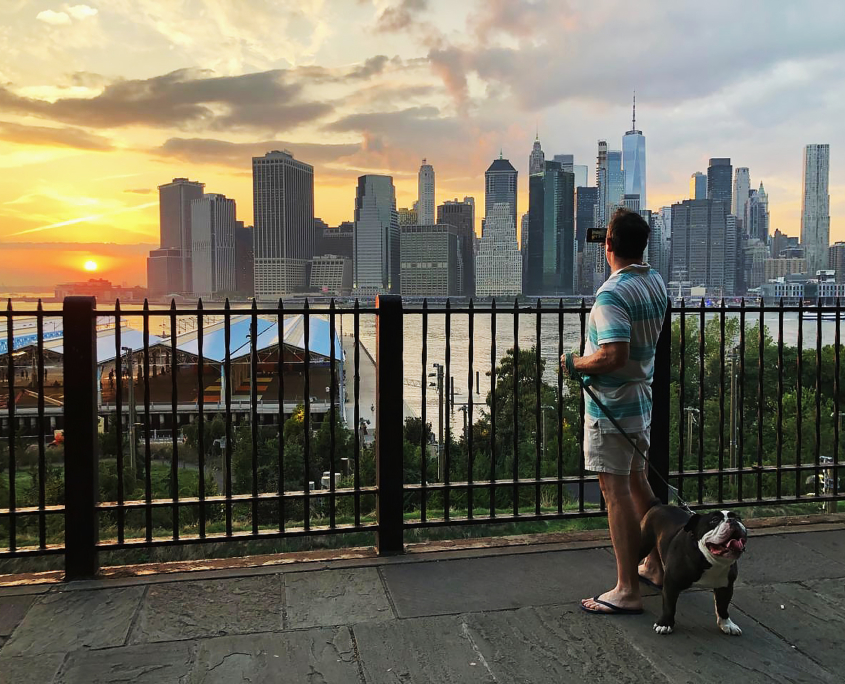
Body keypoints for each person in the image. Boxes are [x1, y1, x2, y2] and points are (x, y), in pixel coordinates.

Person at [561, 208, 668, 615]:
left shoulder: (611, 295)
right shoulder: (654, 282)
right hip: (641, 402)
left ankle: (627, 589)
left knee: (615, 492)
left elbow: (613, 355)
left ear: (608, 245)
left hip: (612, 409)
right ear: (642, 245)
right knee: (639, 483)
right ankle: (656, 563)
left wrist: (575, 363)